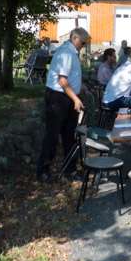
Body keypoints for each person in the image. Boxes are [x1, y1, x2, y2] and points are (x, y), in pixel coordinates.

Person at [36, 27, 89, 182]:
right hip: (58, 98)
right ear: (75, 38)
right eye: (83, 42)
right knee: (52, 136)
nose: (84, 45)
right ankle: (43, 171)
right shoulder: (66, 53)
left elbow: (70, 77)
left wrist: (81, 87)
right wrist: (76, 99)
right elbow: (62, 81)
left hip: (66, 96)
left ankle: (70, 170)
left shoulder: (71, 52)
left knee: (69, 135)